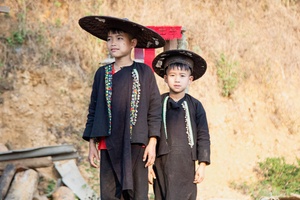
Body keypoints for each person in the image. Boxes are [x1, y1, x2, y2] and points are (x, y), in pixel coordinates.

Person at [78, 16, 165, 200]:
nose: (112, 43)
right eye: (109, 39)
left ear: (132, 42)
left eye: (119, 38)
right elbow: (93, 108)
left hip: (136, 144)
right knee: (109, 195)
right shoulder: (102, 74)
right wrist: (92, 143)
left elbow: (154, 109)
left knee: (137, 194)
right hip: (108, 144)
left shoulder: (144, 73)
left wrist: (152, 141)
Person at [150, 49, 211, 200]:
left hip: (186, 165)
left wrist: (202, 164)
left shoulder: (196, 106)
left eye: (182, 76)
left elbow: (203, 136)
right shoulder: (157, 103)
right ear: (165, 78)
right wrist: (148, 166)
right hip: (162, 163)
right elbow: (149, 132)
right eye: (172, 75)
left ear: (190, 79)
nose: (177, 80)